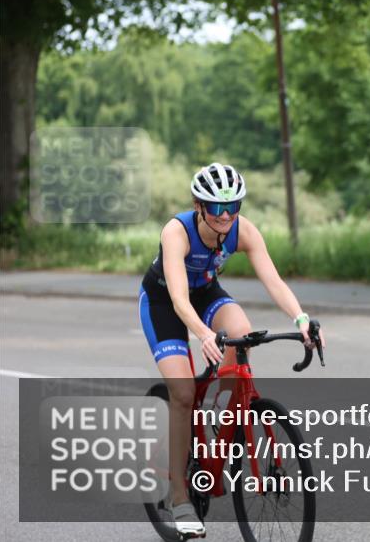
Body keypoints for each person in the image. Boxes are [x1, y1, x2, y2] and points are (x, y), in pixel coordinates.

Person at [138, 162, 325, 537]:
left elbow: (273, 280)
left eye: (233, 206)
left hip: (206, 294)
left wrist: (301, 319)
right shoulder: (177, 231)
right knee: (182, 393)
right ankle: (179, 498)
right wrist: (204, 333)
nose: (225, 215)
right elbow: (177, 298)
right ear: (199, 205)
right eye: (216, 207)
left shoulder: (244, 230)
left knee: (241, 331)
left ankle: (224, 411)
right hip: (164, 304)